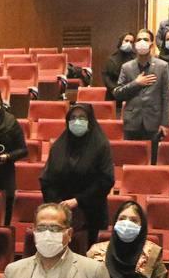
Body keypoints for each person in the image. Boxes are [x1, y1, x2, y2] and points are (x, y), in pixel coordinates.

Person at [40, 102, 115, 247]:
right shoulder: (59, 146)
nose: (77, 121)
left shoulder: (101, 145)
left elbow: (106, 180)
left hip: (91, 213)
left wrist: (78, 200)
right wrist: (58, 204)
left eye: (82, 117)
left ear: (90, 120)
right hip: (60, 214)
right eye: (73, 118)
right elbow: (47, 180)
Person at [112, 29, 169, 164]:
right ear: (135, 45)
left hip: (154, 121)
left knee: (152, 161)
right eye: (139, 40)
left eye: (145, 39)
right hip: (132, 121)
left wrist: (165, 123)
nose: (142, 42)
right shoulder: (126, 67)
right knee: (131, 161)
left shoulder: (162, 66)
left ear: (151, 44)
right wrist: (136, 83)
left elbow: (166, 97)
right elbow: (117, 93)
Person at [102, 32, 136, 100]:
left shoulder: (135, 59)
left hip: (130, 94)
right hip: (113, 94)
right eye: (126, 40)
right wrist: (115, 89)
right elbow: (106, 77)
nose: (128, 43)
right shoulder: (112, 59)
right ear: (121, 41)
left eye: (131, 42)